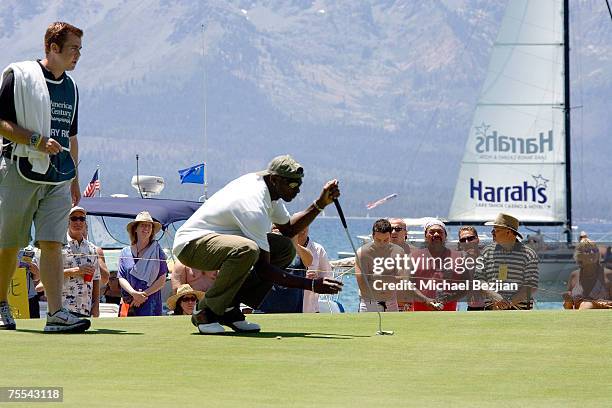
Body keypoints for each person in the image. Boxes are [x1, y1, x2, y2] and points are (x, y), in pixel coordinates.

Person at [173, 154, 343, 334]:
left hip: (215, 242)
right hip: (191, 246)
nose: (297, 190)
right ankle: (205, 312)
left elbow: (289, 230)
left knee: (284, 248)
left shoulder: (270, 191)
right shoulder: (254, 205)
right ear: (275, 179)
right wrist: (312, 285)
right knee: (247, 250)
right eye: (292, 185)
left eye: (299, 184)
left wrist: (320, 203)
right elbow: (264, 269)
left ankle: (229, 308)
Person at [0, 22, 90, 332]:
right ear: (52, 48)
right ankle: (0, 305)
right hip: (19, 169)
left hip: (59, 176)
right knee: (9, 243)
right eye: (73, 48)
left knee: (53, 242)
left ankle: (56, 314)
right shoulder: (19, 77)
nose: (78, 54)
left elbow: (72, 136)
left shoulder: (72, 87)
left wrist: (75, 178)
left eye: (79, 48)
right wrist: (35, 140)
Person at [475, 213, 539, 310]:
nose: (492, 232)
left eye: (496, 230)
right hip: (492, 310)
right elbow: (478, 279)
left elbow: (531, 285)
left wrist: (508, 302)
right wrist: (495, 296)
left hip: (520, 313)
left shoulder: (529, 254)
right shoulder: (486, 251)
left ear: (509, 232)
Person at [118, 211, 168, 317]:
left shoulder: (158, 252)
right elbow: (121, 277)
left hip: (151, 302)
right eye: (143, 225)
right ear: (135, 229)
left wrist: (143, 296)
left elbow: (162, 279)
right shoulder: (125, 252)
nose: (146, 228)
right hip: (128, 301)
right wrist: (134, 294)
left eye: (149, 226)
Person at [411, 220, 467, 311]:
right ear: (425, 236)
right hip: (420, 313)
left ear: (445, 236)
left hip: (448, 312)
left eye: (440, 232)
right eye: (432, 232)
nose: (436, 234)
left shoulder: (458, 257)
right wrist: (426, 300)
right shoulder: (414, 256)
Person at [61, 206, 101, 317]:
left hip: (85, 307)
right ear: (67, 221)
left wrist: (96, 305)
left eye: (81, 219)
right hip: (62, 307)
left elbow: (96, 279)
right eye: (74, 218)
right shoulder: (58, 246)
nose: (78, 222)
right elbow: (49, 274)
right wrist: (75, 271)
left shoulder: (92, 249)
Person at [563, 240, 612, 309]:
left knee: (587, 305)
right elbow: (568, 308)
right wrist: (568, 301)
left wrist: (599, 304)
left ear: (598, 254)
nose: (592, 253)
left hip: (601, 317)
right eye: (587, 251)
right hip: (577, 317)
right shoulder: (574, 275)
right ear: (579, 256)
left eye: (595, 251)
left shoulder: (609, 274)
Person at [457, 226, 485, 311]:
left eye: (470, 238)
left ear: (477, 240)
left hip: (491, 307)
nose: (467, 242)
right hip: (472, 308)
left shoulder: (489, 258)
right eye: (462, 240)